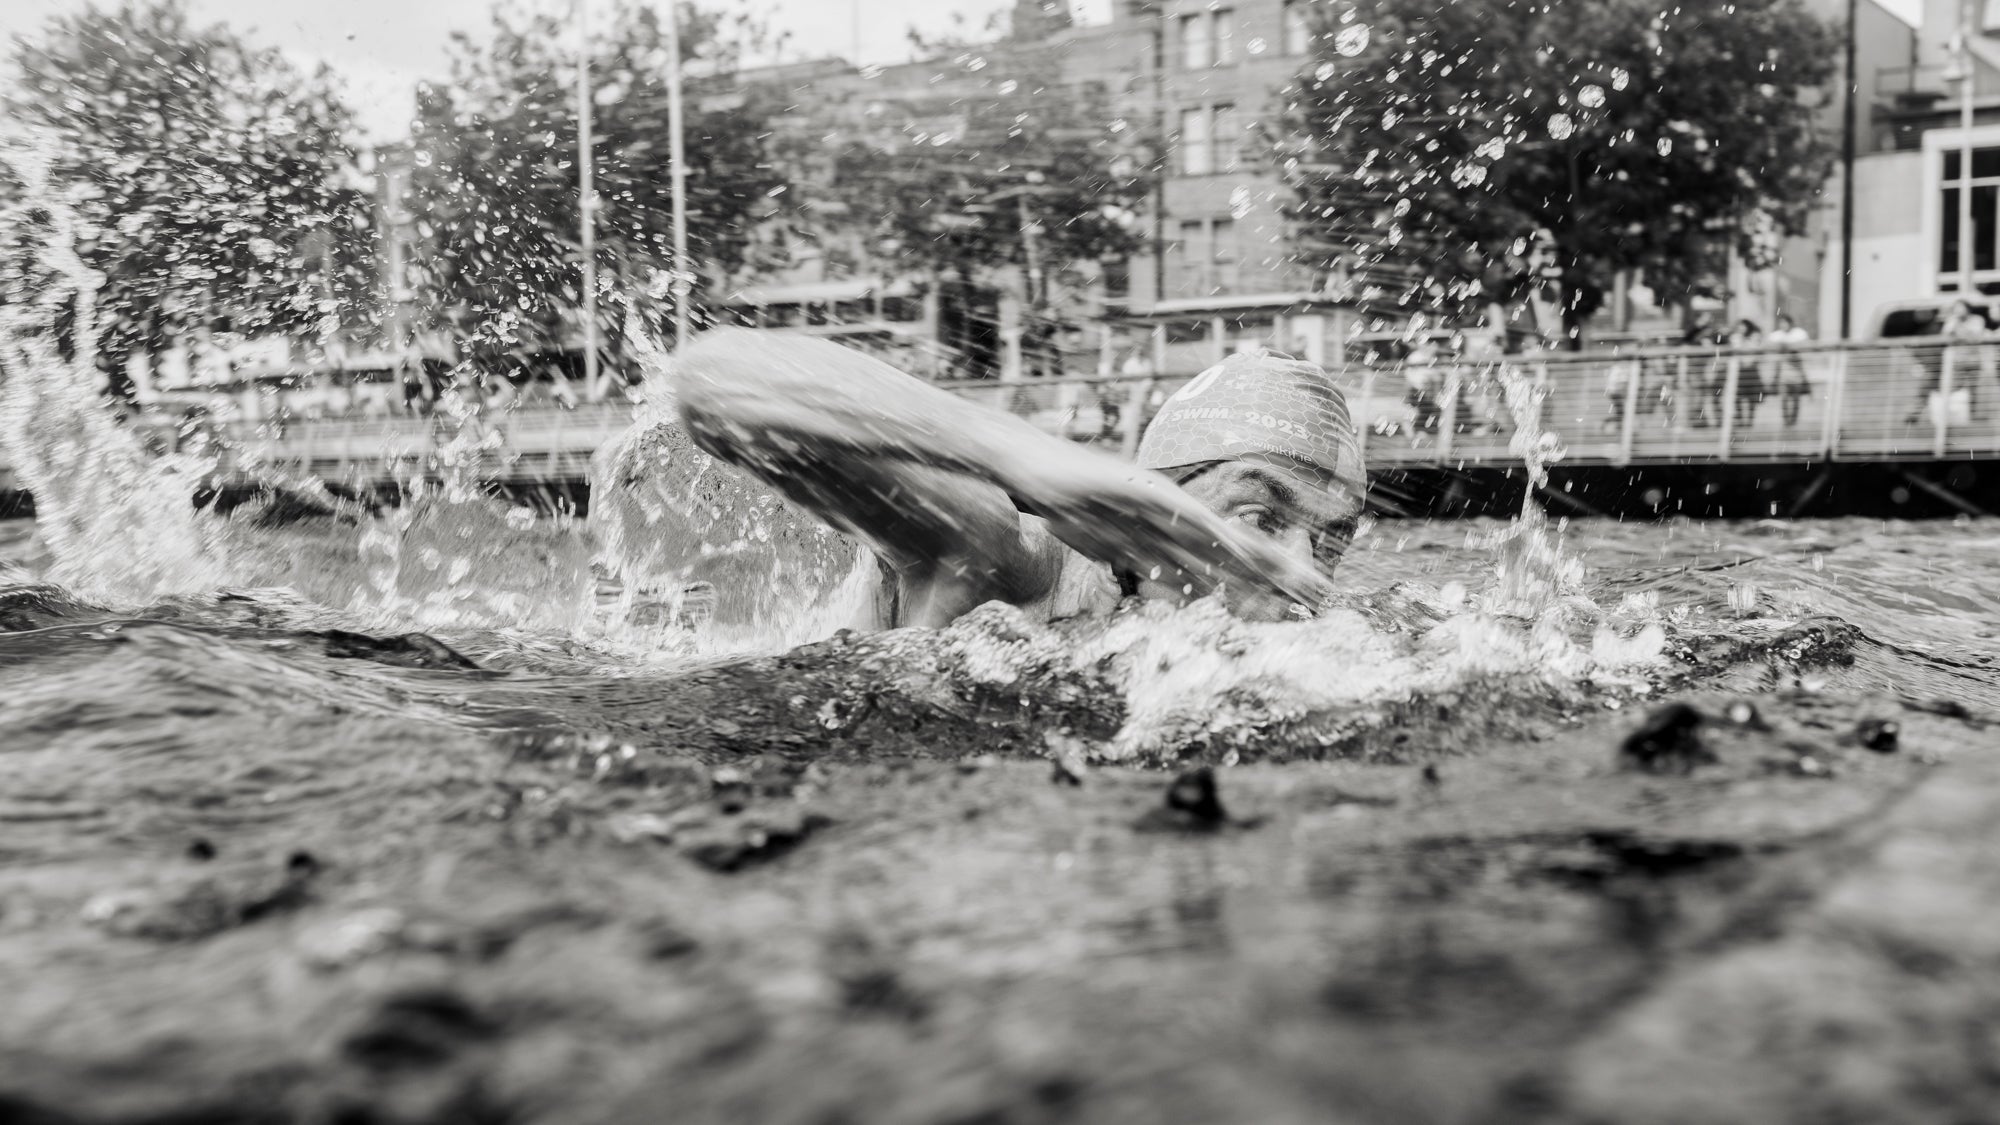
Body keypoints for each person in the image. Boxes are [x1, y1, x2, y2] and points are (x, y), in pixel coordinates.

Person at [672, 330, 1362, 630]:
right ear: (1157, 507)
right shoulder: (1006, 560)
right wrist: (1025, 463)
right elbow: (711, 385)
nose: (1301, 570)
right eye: (1261, 516)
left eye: (1331, 539)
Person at [1766, 313, 1812, 428]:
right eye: (1781, 323)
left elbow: (1802, 347)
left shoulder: (1799, 333)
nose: (1783, 325)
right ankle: (1786, 420)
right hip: (1783, 372)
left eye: (1785, 322)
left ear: (1790, 323)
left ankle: (1793, 420)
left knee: (1796, 398)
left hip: (1797, 371)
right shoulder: (1775, 335)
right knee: (1784, 398)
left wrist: (1785, 346)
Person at [1728, 318, 1765, 430]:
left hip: (1752, 370)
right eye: (1739, 326)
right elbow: (1735, 349)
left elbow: (1757, 350)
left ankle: (1749, 420)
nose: (1741, 328)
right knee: (1737, 397)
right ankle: (1740, 419)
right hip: (1739, 371)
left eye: (1743, 326)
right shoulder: (1735, 337)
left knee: (1752, 398)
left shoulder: (1754, 336)